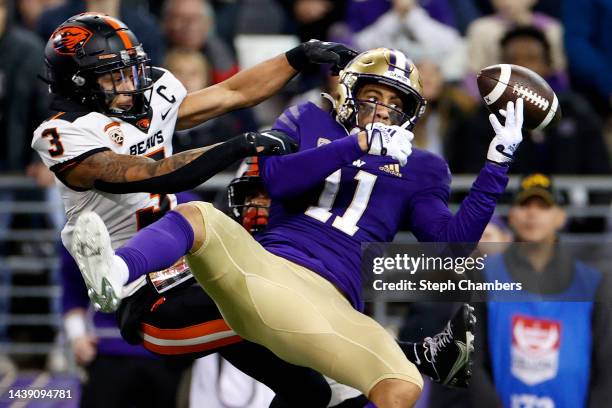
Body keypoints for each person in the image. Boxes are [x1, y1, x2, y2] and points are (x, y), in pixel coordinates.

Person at [72, 48, 525, 407]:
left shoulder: (424, 166)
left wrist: (497, 163)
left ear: (410, 113)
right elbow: (276, 177)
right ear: (349, 93)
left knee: (397, 386)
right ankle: (114, 271)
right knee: (200, 216)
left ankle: (414, 357)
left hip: (335, 304)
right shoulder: (311, 120)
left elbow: (452, 243)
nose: (382, 109)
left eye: (394, 102)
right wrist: (356, 145)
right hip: (271, 269)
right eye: (372, 96)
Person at [30, 12, 357, 406]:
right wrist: (238, 146)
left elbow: (233, 93)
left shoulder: (145, 97)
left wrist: (298, 57)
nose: (130, 84)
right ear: (78, 82)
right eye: (114, 76)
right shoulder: (63, 133)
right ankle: (113, 271)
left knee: (312, 392)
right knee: (287, 307)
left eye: (131, 71)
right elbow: (146, 174)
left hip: (193, 273)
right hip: (150, 301)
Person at [115, 157, 476, 407]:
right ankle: (417, 353)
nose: (258, 206)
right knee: (273, 307)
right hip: (160, 319)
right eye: (251, 195)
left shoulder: (289, 239)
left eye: (266, 197)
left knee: (320, 394)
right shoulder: (219, 237)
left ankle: (414, 355)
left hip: (259, 323)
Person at [468, 173, 612, 407]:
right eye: (524, 204)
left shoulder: (592, 283)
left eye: (543, 205)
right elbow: (471, 361)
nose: (532, 213)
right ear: (512, 216)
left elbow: (606, 366)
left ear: (560, 217)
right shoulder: (483, 276)